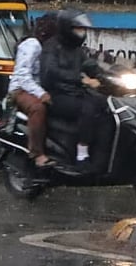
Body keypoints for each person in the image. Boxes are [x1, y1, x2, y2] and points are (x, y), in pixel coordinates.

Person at [40, 9, 106, 166]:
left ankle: (101, 150)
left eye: (83, 29)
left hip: (74, 93)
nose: (81, 32)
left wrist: (106, 75)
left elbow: (90, 65)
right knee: (88, 108)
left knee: (104, 104)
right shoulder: (52, 47)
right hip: (56, 95)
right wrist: (82, 80)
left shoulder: (77, 50)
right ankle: (81, 153)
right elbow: (50, 73)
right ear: (66, 28)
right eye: (78, 28)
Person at [8, 13, 58, 167]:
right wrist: (41, 94)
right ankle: (37, 153)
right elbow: (23, 76)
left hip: (41, 88)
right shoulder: (32, 44)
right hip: (21, 90)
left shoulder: (53, 47)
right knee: (38, 108)